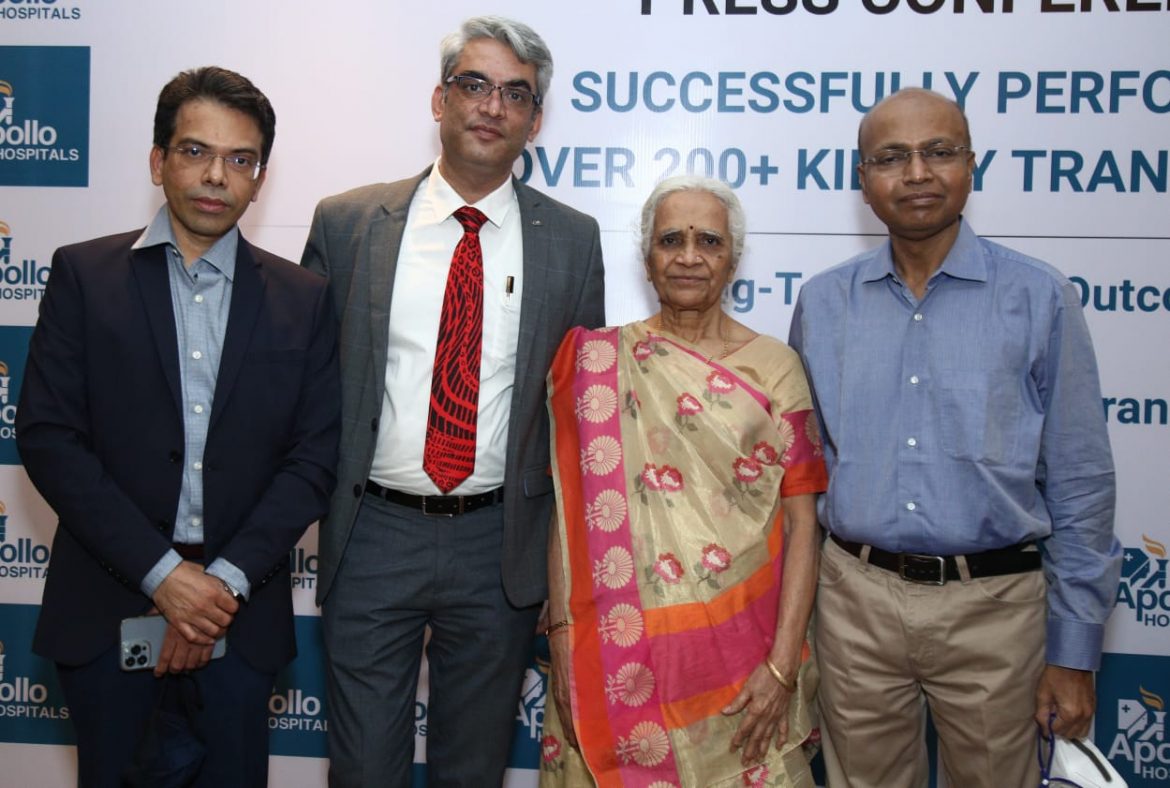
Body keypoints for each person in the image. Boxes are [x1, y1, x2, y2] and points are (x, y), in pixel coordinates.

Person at [300, 15, 606, 786]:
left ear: (536, 120)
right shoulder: (348, 224)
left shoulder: (573, 241)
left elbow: (581, 415)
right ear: (440, 100)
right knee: (362, 770)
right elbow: (304, 387)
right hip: (372, 533)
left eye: (515, 93)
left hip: (498, 545)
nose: (492, 106)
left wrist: (566, 566)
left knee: (472, 771)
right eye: (474, 84)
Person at [16, 66, 340, 787]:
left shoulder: (304, 298)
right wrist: (164, 577)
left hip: (240, 619)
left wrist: (216, 588)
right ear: (158, 160)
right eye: (195, 151)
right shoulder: (84, 276)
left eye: (240, 159)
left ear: (260, 178)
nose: (216, 175)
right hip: (106, 608)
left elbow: (314, 459)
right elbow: (49, 438)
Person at [789, 88, 1121, 788]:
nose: (916, 173)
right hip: (853, 604)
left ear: (972, 165)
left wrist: (1074, 652)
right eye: (891, 158)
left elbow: (1081, 482)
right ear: (862, 180)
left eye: (938, 152)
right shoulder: (822, 303)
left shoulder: (1038, 297)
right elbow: (801, 472)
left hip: (995, 610)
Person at [540, 176, 827, 787]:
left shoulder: (776, 366)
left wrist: (781, 667)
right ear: (647, 259)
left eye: (709, 242)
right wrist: (562, 635)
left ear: (733, 260)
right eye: (671, 240)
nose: (689, 257)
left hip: (747, 653)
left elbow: (804, 523)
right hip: (620, 657)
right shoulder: (597, 365)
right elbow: (569, 517)